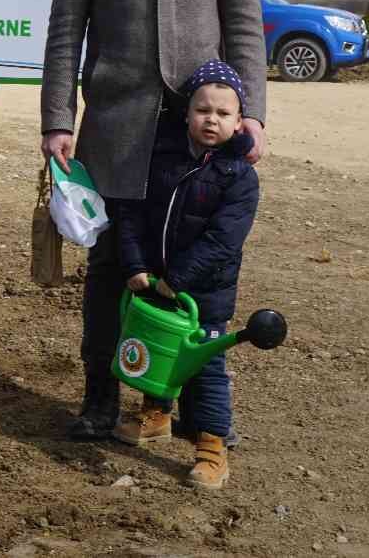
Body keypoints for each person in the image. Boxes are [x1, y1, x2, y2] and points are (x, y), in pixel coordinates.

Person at [40, 0, 268, 444]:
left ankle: (171, 405)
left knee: (191, 272)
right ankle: (97, 400)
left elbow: (244, 22)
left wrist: (249, 111)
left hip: (196, 135)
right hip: (115, 130)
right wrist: (59, 118)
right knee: (110, 270)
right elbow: (65, 30)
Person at [108, 60, 259, 490]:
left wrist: (180, 276)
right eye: (202, 110)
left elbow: (223, 240)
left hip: (203, 294)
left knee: (204, 366)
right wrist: (136, 265)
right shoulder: (161, 160)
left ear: (238, 121)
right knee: (158, 347)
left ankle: (212, 448)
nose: (211, 119)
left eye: (223, 113)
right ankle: (157, 415)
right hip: (156, 282)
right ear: (186, 112)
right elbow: (132, 213)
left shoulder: (239, 178)